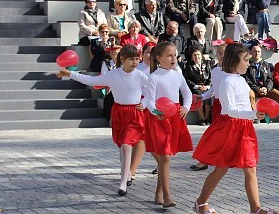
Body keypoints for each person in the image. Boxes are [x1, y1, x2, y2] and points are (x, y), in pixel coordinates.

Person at [192, 44, 278, 214]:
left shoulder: (240, 79)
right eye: (245, 60)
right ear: (233, 61)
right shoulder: (226, 81)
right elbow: (228, 109)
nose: (248, 63)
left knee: (250, 166)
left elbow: (246, 101)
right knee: (221, 167)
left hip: (244, 128)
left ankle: (255, 208)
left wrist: (259, 109)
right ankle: (201, 203)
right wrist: (253, 114)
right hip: (230, 127)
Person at [57, 44, 147, 196]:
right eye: (131, 59)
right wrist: (70, 74)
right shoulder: (113, 75)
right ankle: (126, 175)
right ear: (123, 59)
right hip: (119, 113)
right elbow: (91, 80)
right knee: (121, 145)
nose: (135, 63)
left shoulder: (140, 76)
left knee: (126, 145)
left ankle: (123, 182)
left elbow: (153, 91)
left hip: (134, 114)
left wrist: (144, 104)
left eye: (137, 59)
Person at [142, 41, 193, 208]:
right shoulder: (154, 77)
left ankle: (159, 193)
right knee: (164, 157)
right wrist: (157, 113)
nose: (174, 58)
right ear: (159, 58)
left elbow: (187, 93)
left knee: (164, 159)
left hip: (174, 117)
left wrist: (186, 107)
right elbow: (149, 101)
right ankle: (167, 196)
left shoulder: (177, 74)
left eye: (175, 55)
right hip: (159, 119)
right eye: (169, 55)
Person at [183, 47, 212, 125]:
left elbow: (210, 77)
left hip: (205, 87)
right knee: (198, 93)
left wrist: (207, 86)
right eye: (194, 55)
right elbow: (187, 79)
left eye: (198, 55)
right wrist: (197, 86)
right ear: (192, 57)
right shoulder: (189, 66)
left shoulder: (206, 64)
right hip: (195, 87)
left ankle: (207, 117)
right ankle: (201, 117)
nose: (197, 57)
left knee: (208, 94)